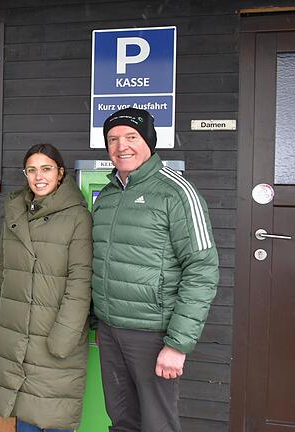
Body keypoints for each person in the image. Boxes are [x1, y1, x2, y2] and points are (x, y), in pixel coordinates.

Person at [92, 107, 219, 431]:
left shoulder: (176, 192)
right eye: (113, 139)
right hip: (110, 330)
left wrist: (177, 344)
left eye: (131, 137)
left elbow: (202, 269)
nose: (122, 146)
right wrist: (99, 323)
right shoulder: (106, 197)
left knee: (157, 424)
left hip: (153, 335)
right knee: (121, 421)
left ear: (149, 140)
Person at [0, 144, 93, 432]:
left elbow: (80, 281)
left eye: (46, 169)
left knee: (54, 412)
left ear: (60, 172)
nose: (38, 176)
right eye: (32, 170)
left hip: (53, 332)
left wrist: (63, 337)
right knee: (25, 413)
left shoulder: (78, 217)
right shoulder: (16, 211)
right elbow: (5, 268)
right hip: (17, 330)